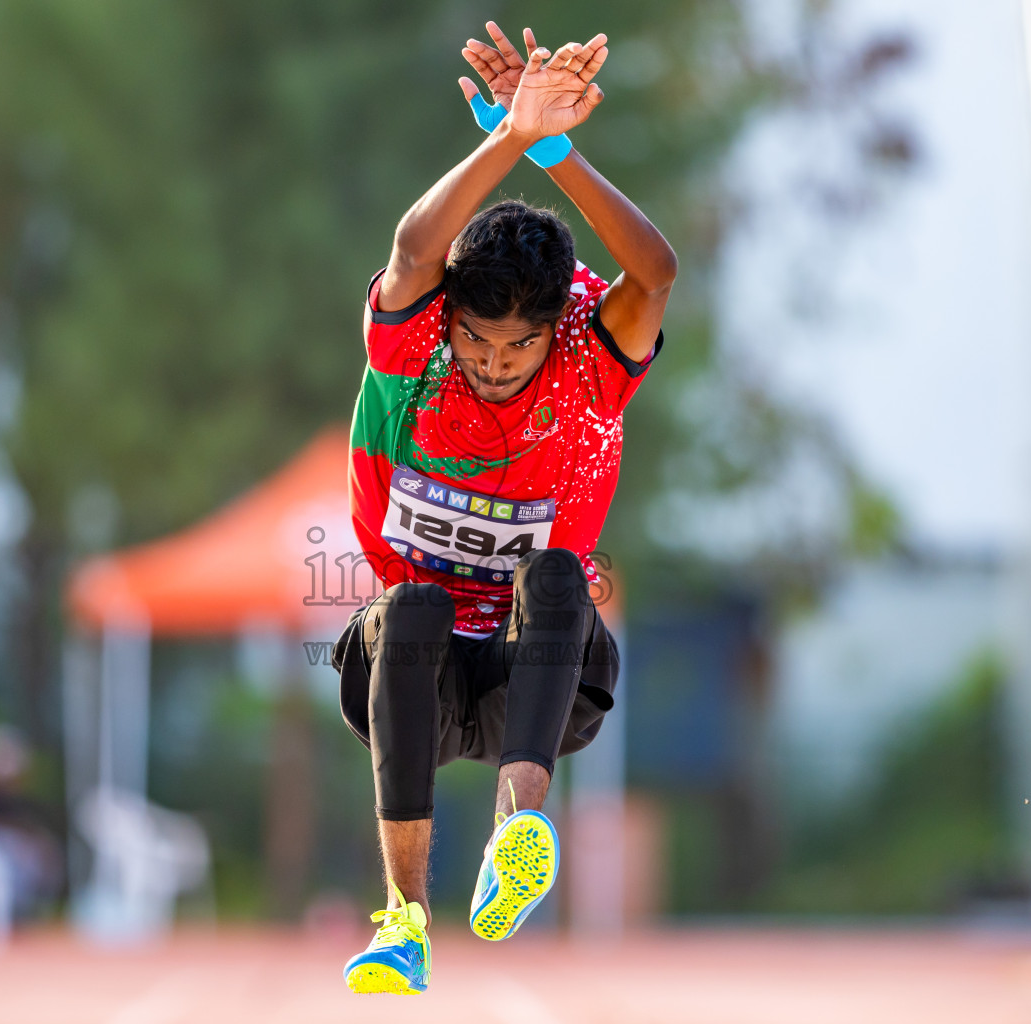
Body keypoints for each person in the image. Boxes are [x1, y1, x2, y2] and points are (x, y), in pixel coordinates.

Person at [334, 21, 676, 995]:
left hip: (545, 678)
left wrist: (559, 152)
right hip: (416, 681)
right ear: (449, 321)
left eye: (513, 349)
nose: (490, 364)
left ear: (554, 331)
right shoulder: (415, 347)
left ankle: (515, 827)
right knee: (413, 607)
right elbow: (412, 245)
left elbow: (654, 273)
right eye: (477, 342)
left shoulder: (587, 361)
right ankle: (402, 923)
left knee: (558, 574)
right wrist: (507, 139)